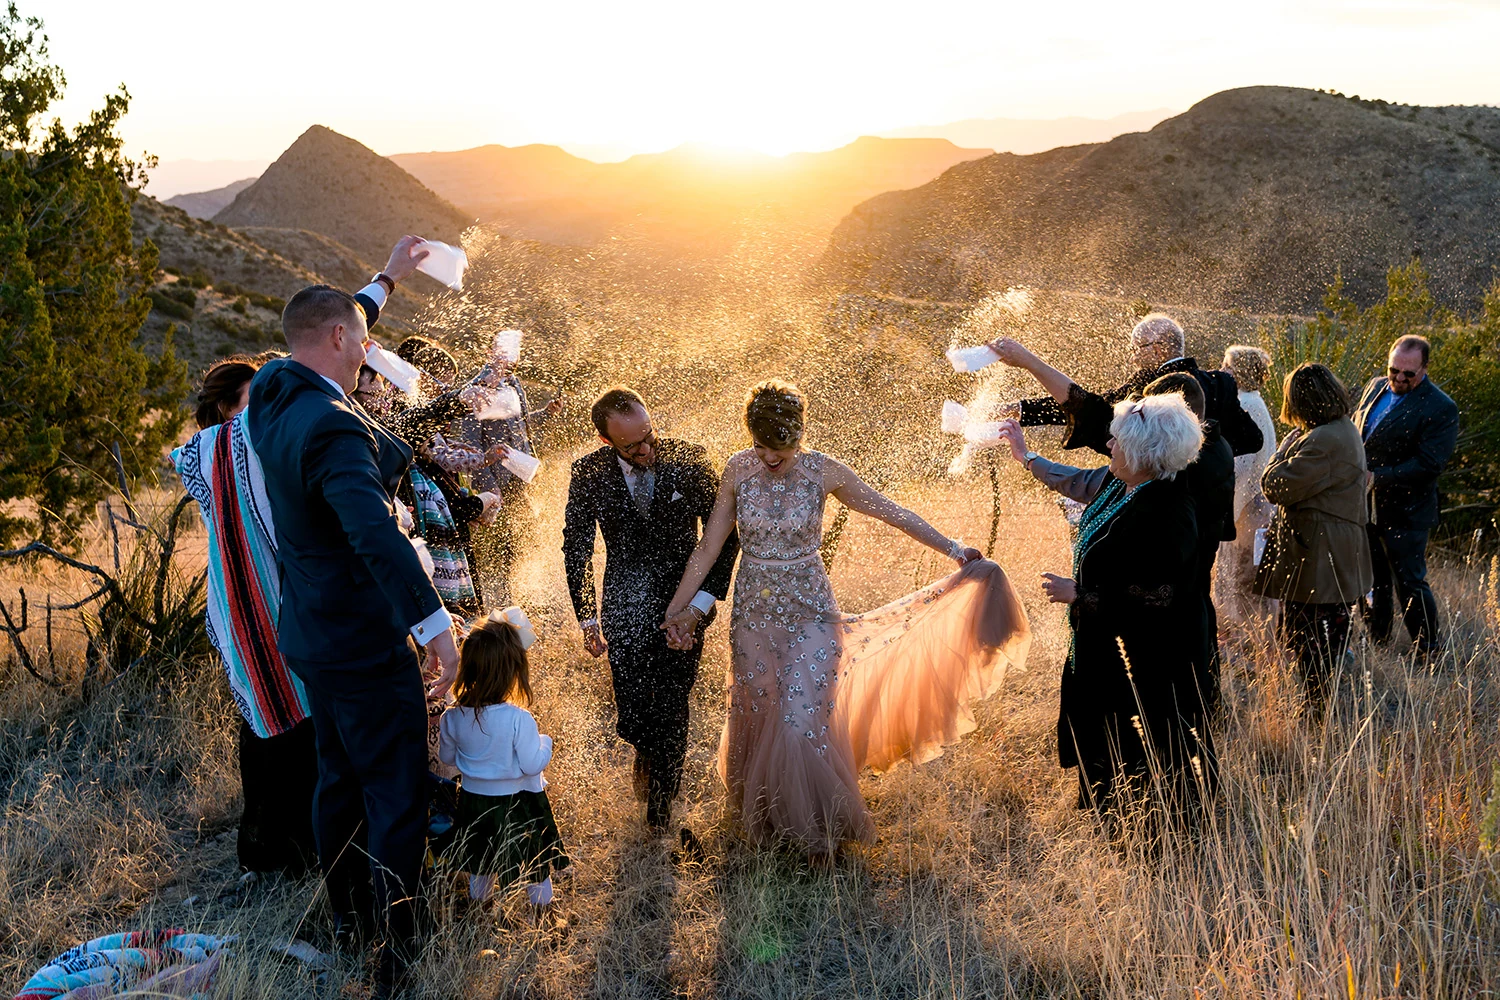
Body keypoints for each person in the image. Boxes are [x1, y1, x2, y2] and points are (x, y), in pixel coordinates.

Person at [661, 381, 1031, 858]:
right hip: (753, 617)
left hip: (812, 612)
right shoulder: (738, 468)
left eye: (782, 448)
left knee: (799, 722)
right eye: (761, 447)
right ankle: (768, 824)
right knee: (759, 712)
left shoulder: (824, 471)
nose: (771, 458)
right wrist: (677, 611)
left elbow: (891, 513)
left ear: (800, 436)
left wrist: (954, 548)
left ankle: (818, 836)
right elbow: (709, 547)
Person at [247, 235, 460, 992]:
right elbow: (371, 529)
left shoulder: (271, 389)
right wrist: (433, 622)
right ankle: (398, 948)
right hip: (364, 640)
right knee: (397, 791)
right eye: (364, 343)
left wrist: (386, 281)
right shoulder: (335, 425)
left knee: (336, 779)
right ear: (341, 342)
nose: (370, 354)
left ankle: (345, 916)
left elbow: (338, 317)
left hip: (309, 633)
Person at [1024, 393, 1212, 819]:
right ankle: (1108, 816)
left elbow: (1157, 594)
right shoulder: (1124, 486)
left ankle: (1153, 830)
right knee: (1100, 739)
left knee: (1146, 743)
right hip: (1102, 646)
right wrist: (1025, 454)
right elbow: (1074, 484)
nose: (1108, 445)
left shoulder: (1168, 511)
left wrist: (1082, 596)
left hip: (1147, 659)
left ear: (1144, 452)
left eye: (1116, 440)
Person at [561, 387, 740, 834]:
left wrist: (699, 607)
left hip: (686, 603)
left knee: (673, 704)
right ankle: (646, 747)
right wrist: (587, 617)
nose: (646, 450)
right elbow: (577, 547)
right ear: (607, 442)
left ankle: (661, 810)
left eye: (650, 436)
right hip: (622, 602)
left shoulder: (690, 459)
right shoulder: (588, 473)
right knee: (634, 712)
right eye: (632, 446)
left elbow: (726, 538)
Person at [170, 354, 317, 877]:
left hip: (258, 604)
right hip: (260, 603)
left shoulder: (228, 448)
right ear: (228, 407)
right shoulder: (230, 445)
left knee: (269, 731)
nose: (265, 407)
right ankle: (283, 851)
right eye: (254, 398)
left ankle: (270, 848)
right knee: (280, 733)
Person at [1252, 364, 1373, 717]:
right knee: (1317, 639)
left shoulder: (1323, 440)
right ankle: (1318, 709)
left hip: (1321, 557)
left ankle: (1316, 717)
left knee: (1313, 643)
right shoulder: (1338, 431)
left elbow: (1276, 486)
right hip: (1325, 552)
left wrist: (1280, 453)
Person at [439, 611, 569, 916]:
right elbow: (531, 765)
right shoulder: (518, 718)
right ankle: (545, 914)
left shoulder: (452, 716)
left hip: (473, 801)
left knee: (479, 858)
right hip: (517, 803)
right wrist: (546, 741)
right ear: (512, 672)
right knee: (534, 859)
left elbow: (447, 759)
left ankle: (480, 908)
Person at [993, 313, 1264, 457]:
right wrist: (1206, 456)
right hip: (1210, 512)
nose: (1133, 357)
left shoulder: (1148, 386)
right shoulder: (1222, 383)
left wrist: (1020, 409)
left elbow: (1089, 407)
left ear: (1159, 350)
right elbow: (1253, 439)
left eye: (1137, 349)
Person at [1354, 335, 1459, 654]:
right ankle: (1377, 638)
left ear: (1424, 369)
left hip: (1407, 510)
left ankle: (1428, 648)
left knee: (1410, 582)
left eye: (1408, 374)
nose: (1398, 378)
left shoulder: (1441, 407)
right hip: (1366, 506)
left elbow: (1430, 463)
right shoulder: (1374, 387)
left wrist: (1378, 477)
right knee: (1372, 578)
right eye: (1393, 370)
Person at [460, 338, 564, 606]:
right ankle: (506, 602)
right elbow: (472, 441)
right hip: (497, 479)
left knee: (527, 533)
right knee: (504, 545)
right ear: (489, 352)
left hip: (522, 473)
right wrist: (488, 484)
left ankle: (527, 594)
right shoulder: (477, 387)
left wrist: (546, 413)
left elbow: (521, 424)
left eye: (513, 354)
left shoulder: (515, 383)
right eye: (503, 353)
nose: (509, 360)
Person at [1216, 346, 1279, 622]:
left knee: (1242, 581)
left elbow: (1241, 466)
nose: (1221, 369)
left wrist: (1223, 513)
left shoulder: (1247, 404)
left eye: (1227, 365)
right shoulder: (1251, 401)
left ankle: (1245, 645)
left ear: (1239, 371)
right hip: (1249, 505)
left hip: (1246, 509)